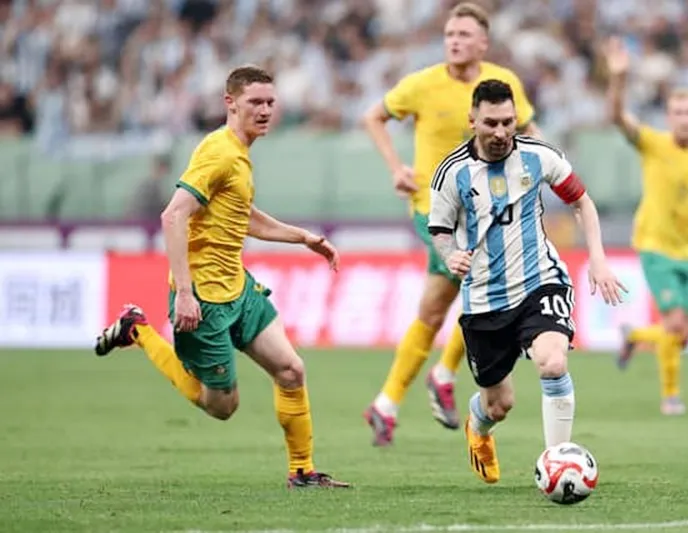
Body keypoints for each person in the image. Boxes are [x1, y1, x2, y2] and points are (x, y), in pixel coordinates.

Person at [94, 65, 350, 489]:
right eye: (255, 102)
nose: (265, 110)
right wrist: (187, 294)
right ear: (230, 103)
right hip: (205, 302)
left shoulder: (239, 153)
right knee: (222, 406)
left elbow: (240, 215)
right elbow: (173, 214)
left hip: (238, 287)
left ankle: (302, 471)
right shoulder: (219, 153)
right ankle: (138, 331)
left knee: (290, 370)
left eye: (270, 102)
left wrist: (302, 237)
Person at [428, 79, 626, 484]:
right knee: (499, 404)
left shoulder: (540, 156)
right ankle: (478, 428)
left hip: (540, 281)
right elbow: (440, 230)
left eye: (507, 122)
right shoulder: (452, 173)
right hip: (483, 299)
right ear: (473, 121)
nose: (501, 132)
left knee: (553, 363)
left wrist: (598, 259)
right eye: (491, 123)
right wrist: (452, 256)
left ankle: (558, 464)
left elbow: (582, 201)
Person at [361, 1, 540, 446]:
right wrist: (395, 168)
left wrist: (546, 167)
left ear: (483, 42)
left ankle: (387, 402)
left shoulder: (503, 84)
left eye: (463, 34)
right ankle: (441, 374)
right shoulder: (422, 85)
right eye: (449, 34)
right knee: (484, 284)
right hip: (434, 208)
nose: (454, 41)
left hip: (485, 209)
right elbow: (374, 116)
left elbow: (528, 131)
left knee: (435, 308)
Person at [605, 37, 688, 415]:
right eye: (677, 112)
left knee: (682, 337)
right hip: (654, 244)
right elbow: (617, 118)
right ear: (669, 116)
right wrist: (618, 80)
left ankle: (634, 336)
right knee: (675, 322)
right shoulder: (653, 143)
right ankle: (670, 397)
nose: (684, 118)